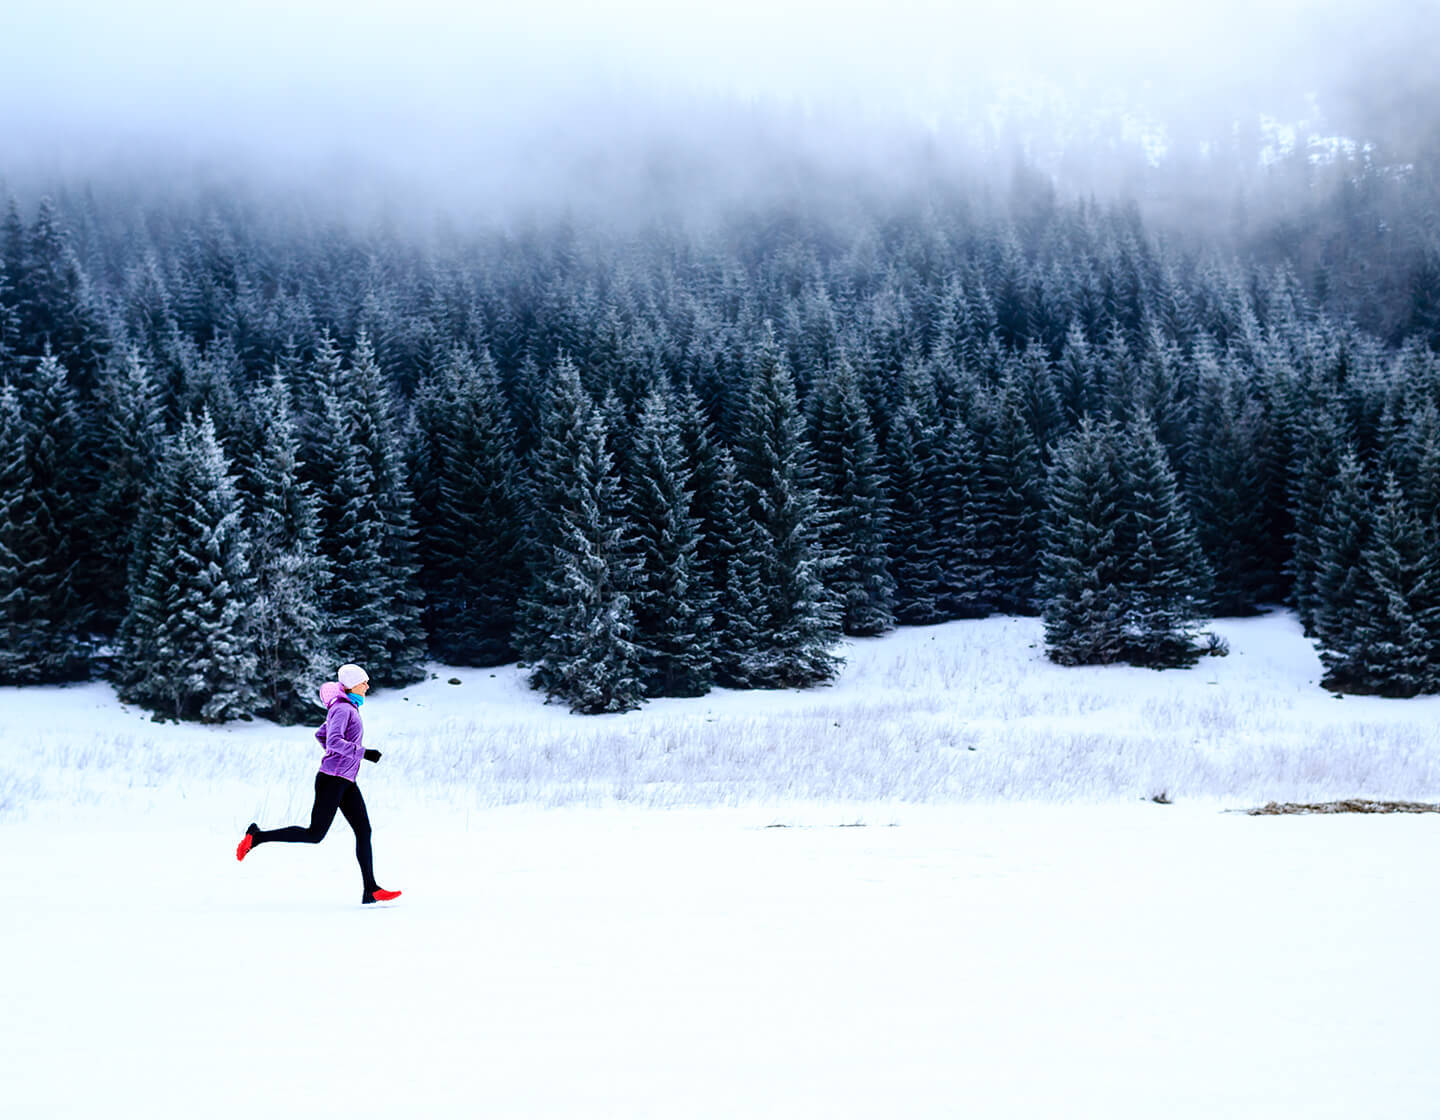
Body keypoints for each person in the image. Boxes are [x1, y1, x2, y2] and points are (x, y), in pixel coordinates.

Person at [236, 663, 402, 905]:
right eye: (363, 681)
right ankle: (257, 837)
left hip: (345, 780)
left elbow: (321, 736)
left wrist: (341, 758)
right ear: (351, 685)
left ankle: (371, 889)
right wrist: (362, 753)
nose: (367, 685)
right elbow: (333, 740)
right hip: (332, 780)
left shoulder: (347, 708)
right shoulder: (343, 709)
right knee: (314, 834)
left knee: (364, 831)